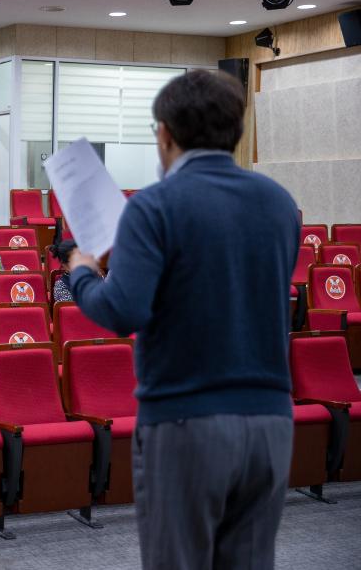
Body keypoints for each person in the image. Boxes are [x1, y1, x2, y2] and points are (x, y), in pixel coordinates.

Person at [66, 70, 299, 570]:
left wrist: (82, 274)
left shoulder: (154, 206)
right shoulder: (281, 204)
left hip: (187, 420)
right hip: (272, 421)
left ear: (166, 134)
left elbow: (123, 311)